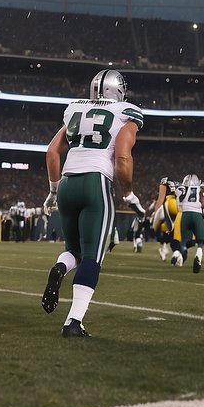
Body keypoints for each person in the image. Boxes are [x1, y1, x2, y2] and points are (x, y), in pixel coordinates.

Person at [39, 69, 145, 338]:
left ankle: (60, 267)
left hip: (66, 182)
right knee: (93, 257)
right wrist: (128, 192)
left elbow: (52, 151)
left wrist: (52, 191)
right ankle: (73, 322)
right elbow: (122, 157)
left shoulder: (75, 109)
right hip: (95, 182)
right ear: (118, 89)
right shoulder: (126, 111)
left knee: (72, 249)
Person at [169, 174, 204, 272]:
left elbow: (172, 188)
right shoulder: (200, 189)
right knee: (200, 242)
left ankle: (180, 257)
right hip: (197, 214)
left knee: (183, 241)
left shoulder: (180, 188)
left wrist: (170, 182)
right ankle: (198, 256)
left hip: (185, 214)